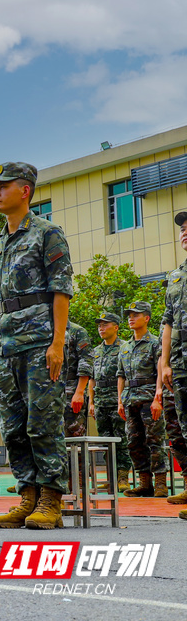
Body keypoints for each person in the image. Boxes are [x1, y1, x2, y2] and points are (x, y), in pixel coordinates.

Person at [0, 162, 73, 530]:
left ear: (24, 190)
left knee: (43, 422)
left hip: (39, 343)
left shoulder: (47, 234)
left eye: (3, 186)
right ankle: (28, 496)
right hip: (7, 347)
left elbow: (61, 290)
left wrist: (57, 343)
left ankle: (51, 498)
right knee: (13, 426)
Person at [118, 301, 168, 497]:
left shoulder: (155, 343)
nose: (131, 318)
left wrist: (158, 397)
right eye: (129, 315)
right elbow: (120, 375)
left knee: (154, 440)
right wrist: (120, 401)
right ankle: (145, 483)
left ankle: (161, 483)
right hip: (130, 399)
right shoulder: (125, 347)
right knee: (134, 442)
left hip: (149, 398)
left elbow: (160, 370)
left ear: (146, 318)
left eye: (135, 315)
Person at [159, 209, 187, 519]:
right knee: (184, 428)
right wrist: (165, 363)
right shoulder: (175, 276)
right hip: (180, 364)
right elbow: (167, 322)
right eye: (182, 228)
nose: (184, 231)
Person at [88, 312, 132, 492]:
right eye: (99, 325)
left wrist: (123, 399)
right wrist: (91, 402)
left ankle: (123, 477)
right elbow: (91, 378)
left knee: (121, 439)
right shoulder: (96, 351)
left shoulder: (125, 347)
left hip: (117, 399)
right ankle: (111, 477)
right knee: (105, 441)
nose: (101, 328)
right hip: (101, 401)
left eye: (105, 325)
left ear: (116, 327)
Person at [63, 321, 93, 437]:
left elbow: (86, 361)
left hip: (72, 390)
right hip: (51, 392)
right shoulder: (46, 331)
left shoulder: (77, 331)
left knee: (74, 435)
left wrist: (79, 392)